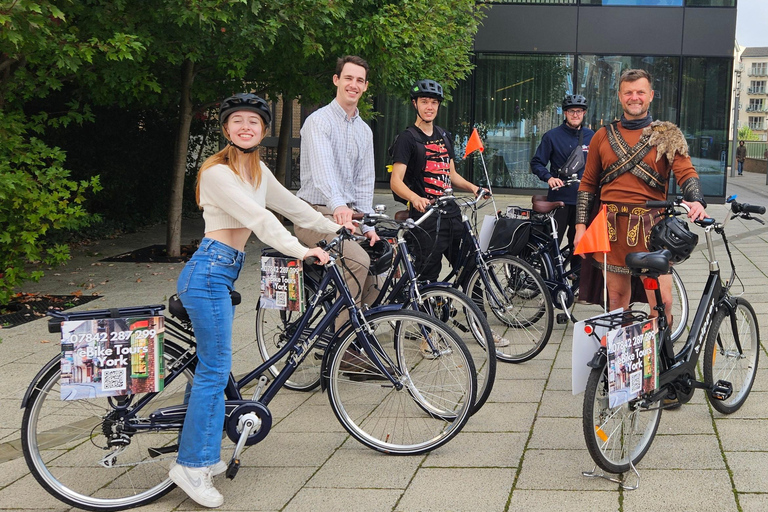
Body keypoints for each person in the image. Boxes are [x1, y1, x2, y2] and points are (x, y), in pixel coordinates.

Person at [169, 93, 344, 508]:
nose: (245, 127)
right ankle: (191, 466)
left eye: (253, 122)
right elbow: (261, 220)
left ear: (263, 130)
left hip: (221, 271)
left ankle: (203, 448)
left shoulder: (257, 170)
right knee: (215, 368)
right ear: (226, 128)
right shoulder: (216, 172)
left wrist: (337, 231)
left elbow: (294, 208)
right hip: (207, 272)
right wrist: (302, 251)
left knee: (212, 368)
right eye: (237, 121)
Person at [573, 68, 708, 321]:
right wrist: (581, 226)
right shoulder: (602, 135)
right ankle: (622, 357)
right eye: (628, 92)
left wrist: (696, 199)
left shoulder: (667, 134)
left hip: (652, 229)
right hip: (610, 228)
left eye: (640, 92)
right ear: (620, 96)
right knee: (615, 300)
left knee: (663, 304)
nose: (634, 97)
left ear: (651, 96)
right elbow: (588, 184)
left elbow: (686, 172)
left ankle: (659, 357)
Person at [389, 79, 508, 349]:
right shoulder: (408, 138)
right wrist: (415, 198)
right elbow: (396, 181)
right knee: (428, 277)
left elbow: (450, 175)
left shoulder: (444, 136)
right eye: (424, 102)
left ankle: (482, 328)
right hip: (426, 218)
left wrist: (475, 187)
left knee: (472, 268)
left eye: (434, 102)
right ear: (415, 104)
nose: (429, 106)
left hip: (451, 212)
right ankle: (427, 335)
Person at [295, 55, 380, 330]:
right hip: (314, 214)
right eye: (348, 78)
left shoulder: (364, 131)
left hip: (345, 217)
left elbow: (365, 182)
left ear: (365, 86)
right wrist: (339, 207)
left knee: (380, 266)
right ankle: (343, 348)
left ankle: (360, 335)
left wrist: (366, 224)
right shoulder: (318, 122)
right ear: (337, 80)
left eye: (359, 80)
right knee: (358, 261)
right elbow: (323, 175)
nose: (353, 85)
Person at [530, 94, 595, 261]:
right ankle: (548, 282)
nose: (575, 115)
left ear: (584, 113)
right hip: (559, 200)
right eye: (571, 111)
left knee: (580, 248)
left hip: (584, 200)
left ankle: (577, 282)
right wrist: (549, 177)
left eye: (579, 111)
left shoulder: (592, 136)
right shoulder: (552, 136)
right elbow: (536, 162)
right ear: (565, 113)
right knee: (552, 244)